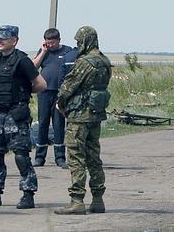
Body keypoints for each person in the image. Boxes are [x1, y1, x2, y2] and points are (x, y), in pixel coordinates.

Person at [0, 25, 47, 209]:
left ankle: (28, 194)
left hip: (16, 114)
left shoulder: (22, 61)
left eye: (4, 38)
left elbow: (41, 84)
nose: (0, 41)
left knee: (21, 155)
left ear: (14, 40)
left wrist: (22, 94)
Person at [54, 26, 112, 215]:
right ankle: (98, 198)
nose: (78, 45)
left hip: (79, 116)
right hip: (96, 114)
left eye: (79, 41)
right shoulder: (104, 61)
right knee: (94, 156)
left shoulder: (84, 63)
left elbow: (68, 87)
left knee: (76, 157)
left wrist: (60, 103)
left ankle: (77, 200)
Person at [32, 28, 72, 169]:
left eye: (53, 43)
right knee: (43, 123)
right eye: (48, 43)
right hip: (44, 92)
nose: (50, 45)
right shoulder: (43, 52)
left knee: (58, 124)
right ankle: (39, 157)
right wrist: (43, 51)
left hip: (60, 93)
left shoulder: (67, 51)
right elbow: (33, 67)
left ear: (59, 40)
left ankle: (60, 157)